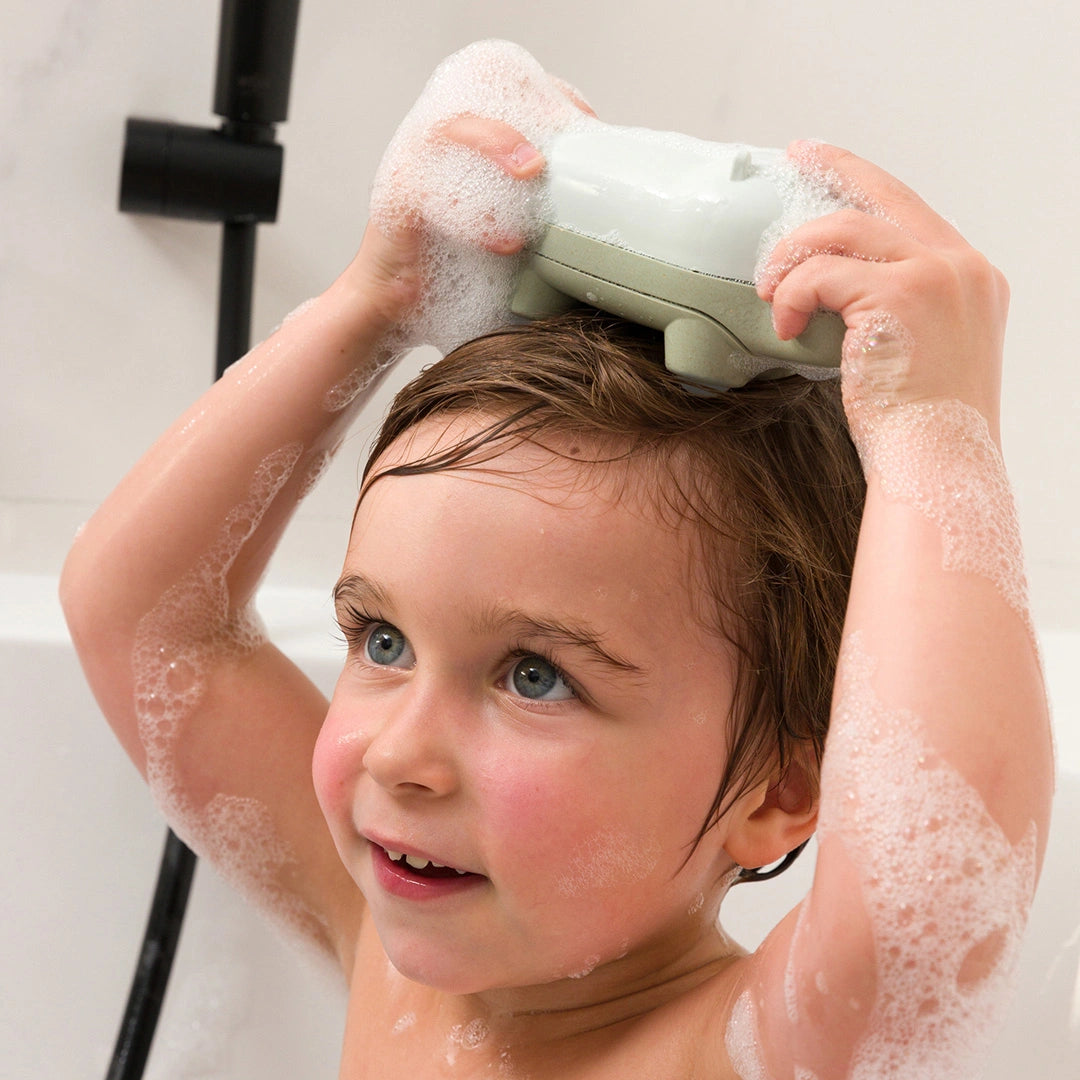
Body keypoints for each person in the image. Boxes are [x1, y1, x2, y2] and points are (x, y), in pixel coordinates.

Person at [61, 101, 1052, 1078]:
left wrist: (935, 426)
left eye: (533, 676)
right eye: (381, 640)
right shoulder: (390, 938)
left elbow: (924, 925)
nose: (401, 755)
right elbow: (144, 624)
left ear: (781, 792)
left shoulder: (726, 1053)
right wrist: (373, 304)